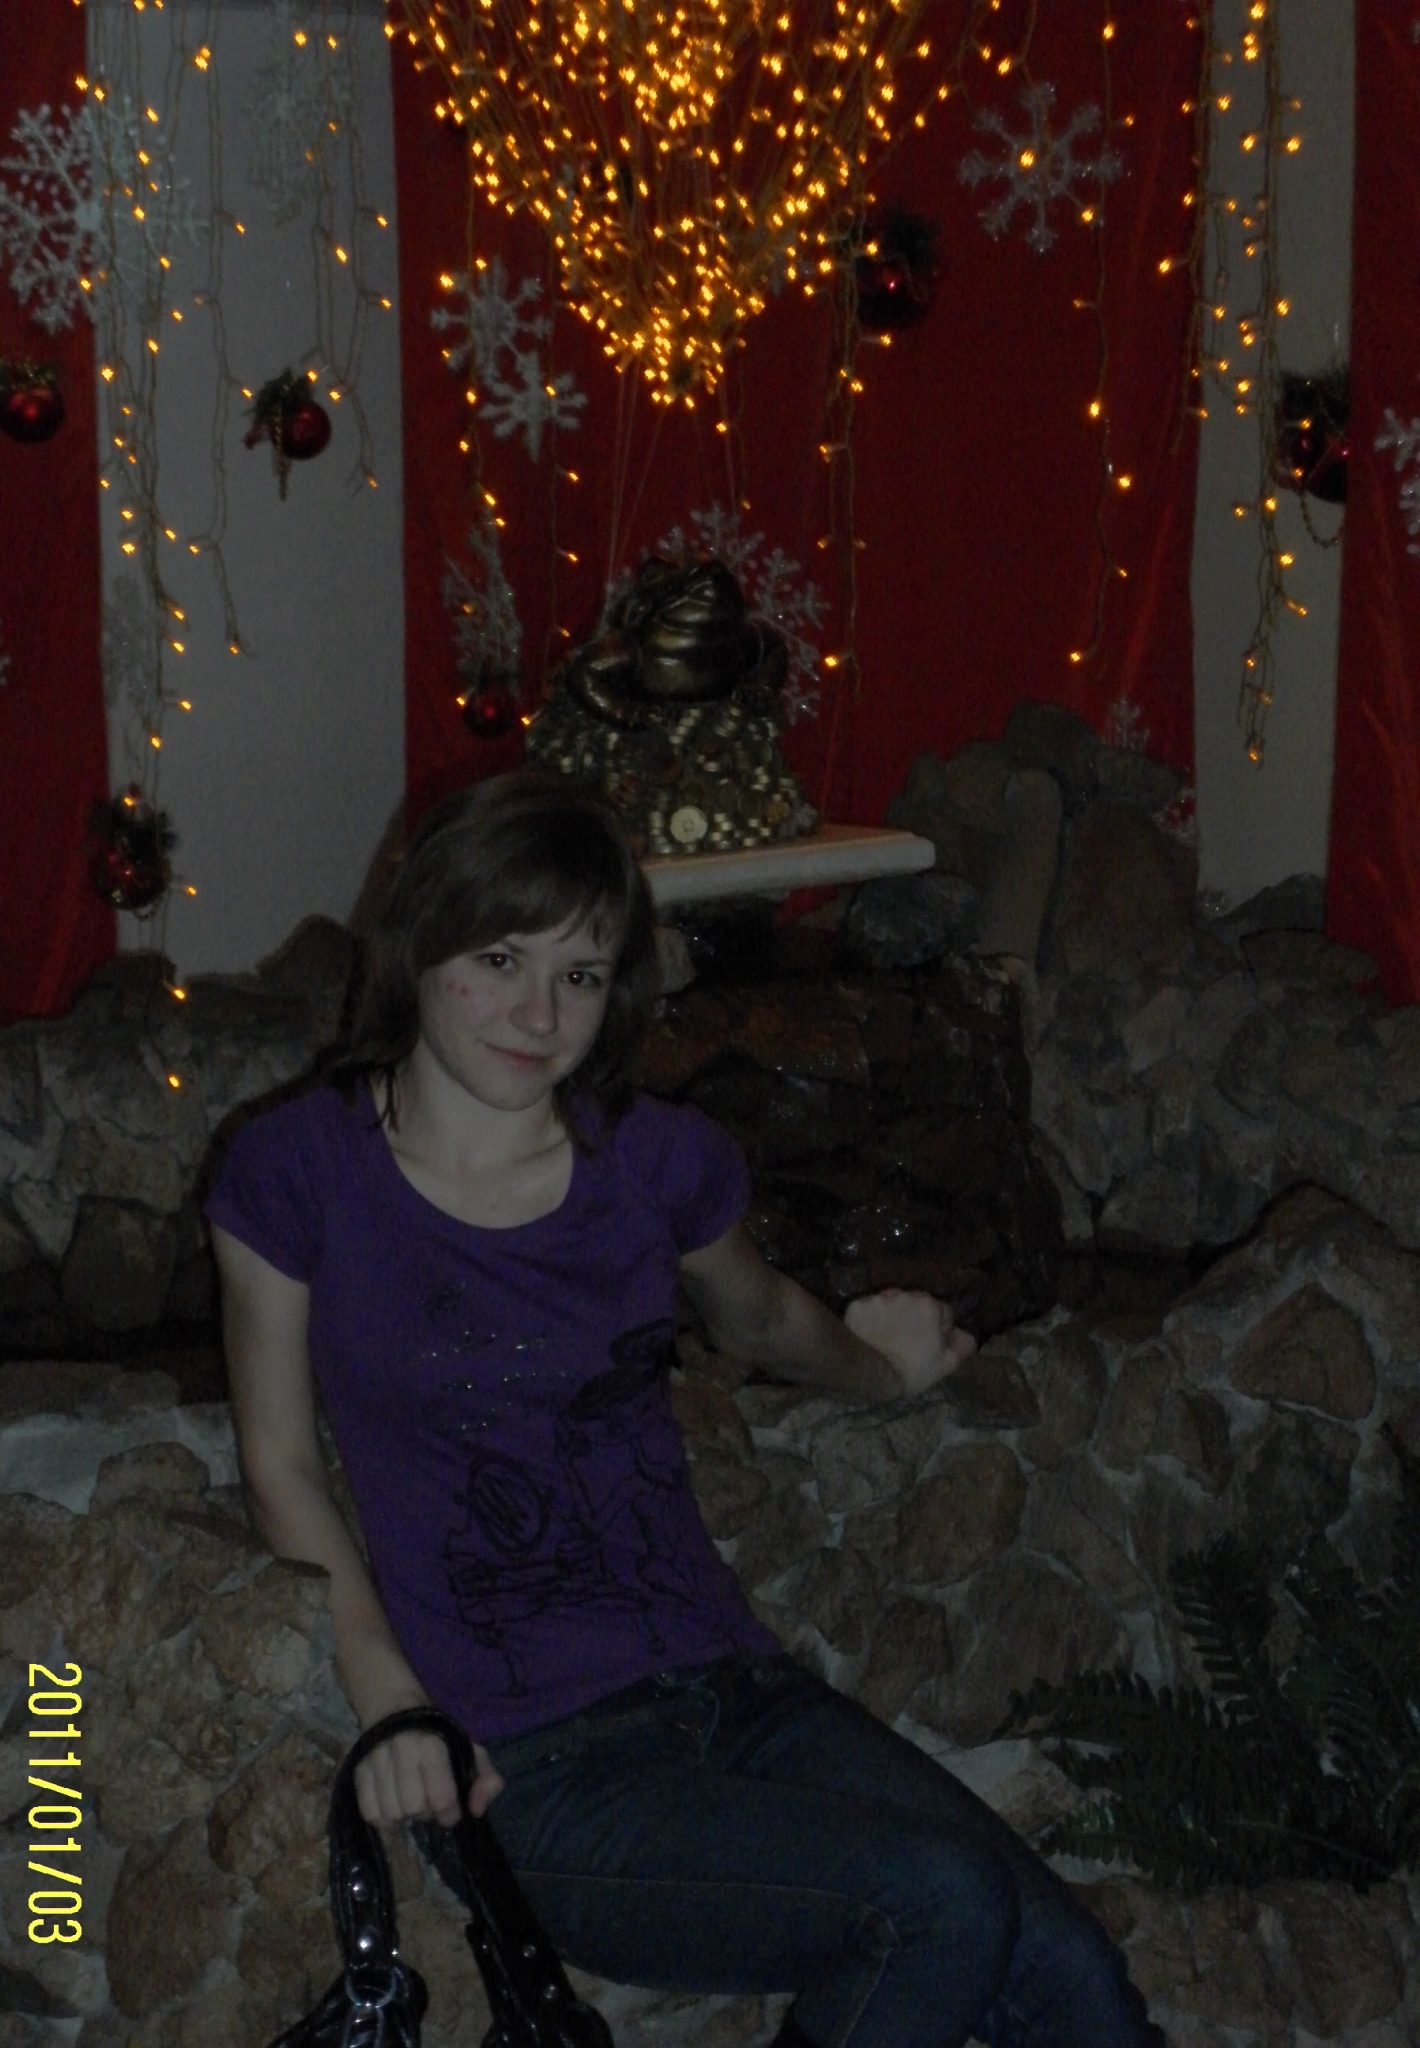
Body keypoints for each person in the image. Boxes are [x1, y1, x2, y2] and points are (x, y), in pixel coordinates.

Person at [206, 770, 1163, 2048]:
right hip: (535, 1764)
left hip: (732, 1686)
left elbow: (761, 1318)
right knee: (937, 1903)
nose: (538, 1014)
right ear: (421, 938)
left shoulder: (656, 1158)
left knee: (1080, 1981)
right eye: (500, 959)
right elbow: (280, 1463)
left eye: (580, 974)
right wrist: (392, 1697)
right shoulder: (296, 1170)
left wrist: (884, 1368)